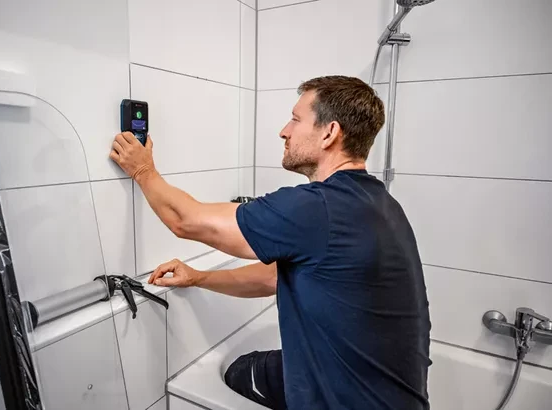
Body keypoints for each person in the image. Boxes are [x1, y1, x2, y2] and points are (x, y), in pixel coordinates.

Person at [110, 75, 432, 410]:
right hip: (390, 395)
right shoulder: (379, 203)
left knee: (241, 373)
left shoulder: (317, 206)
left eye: (295, 119)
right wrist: (199, 277)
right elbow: (275, 277)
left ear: (329, 133)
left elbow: (185, 220)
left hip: (349, 402)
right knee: (244, 370)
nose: (284, 131)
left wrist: (143, 171)